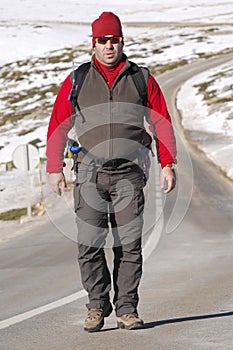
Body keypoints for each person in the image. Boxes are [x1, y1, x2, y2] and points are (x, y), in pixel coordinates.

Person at [46, 12, 177, 332]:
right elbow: (58, 122)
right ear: (94, 43)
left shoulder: (141, 78)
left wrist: (168, 163)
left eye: (114, 40)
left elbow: (161, 122)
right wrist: (54, 167)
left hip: (129, 173)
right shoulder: (77, 79)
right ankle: (96, 303)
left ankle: (127, 308)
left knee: (128, 244)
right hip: (89, 171)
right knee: (89, 243)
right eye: (102, 40)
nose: (108, 46)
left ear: (122, 41)